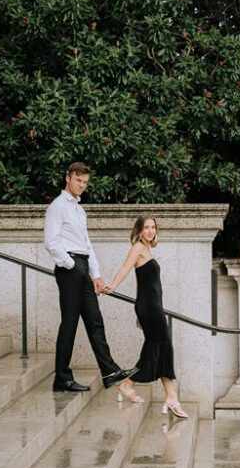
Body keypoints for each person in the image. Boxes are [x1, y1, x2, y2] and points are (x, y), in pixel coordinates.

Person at [44, 161, 137, 394]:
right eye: (78, 181)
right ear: (68, 178)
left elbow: (87, 245)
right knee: (70, 324)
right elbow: (51, 242)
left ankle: (109, 371)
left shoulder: (79, 209)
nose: (81, 186)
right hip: (70, 269)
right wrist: (72, 265)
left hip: (83, 266)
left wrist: (95, 274)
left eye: (85, 183)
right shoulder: (57, 206)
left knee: (95, 320)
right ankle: (62, 379)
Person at [104, 216, 188, 419]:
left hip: (154, 306)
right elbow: (125, 268)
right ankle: (159, 393)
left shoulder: (147, 249)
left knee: (159, 348)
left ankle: (168, 396)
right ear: (139, 231)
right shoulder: (138, 248)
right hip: (149, 307)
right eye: (146, 227)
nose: (150, 231)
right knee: (162, 346)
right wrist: (112, 286)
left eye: (153, 227)